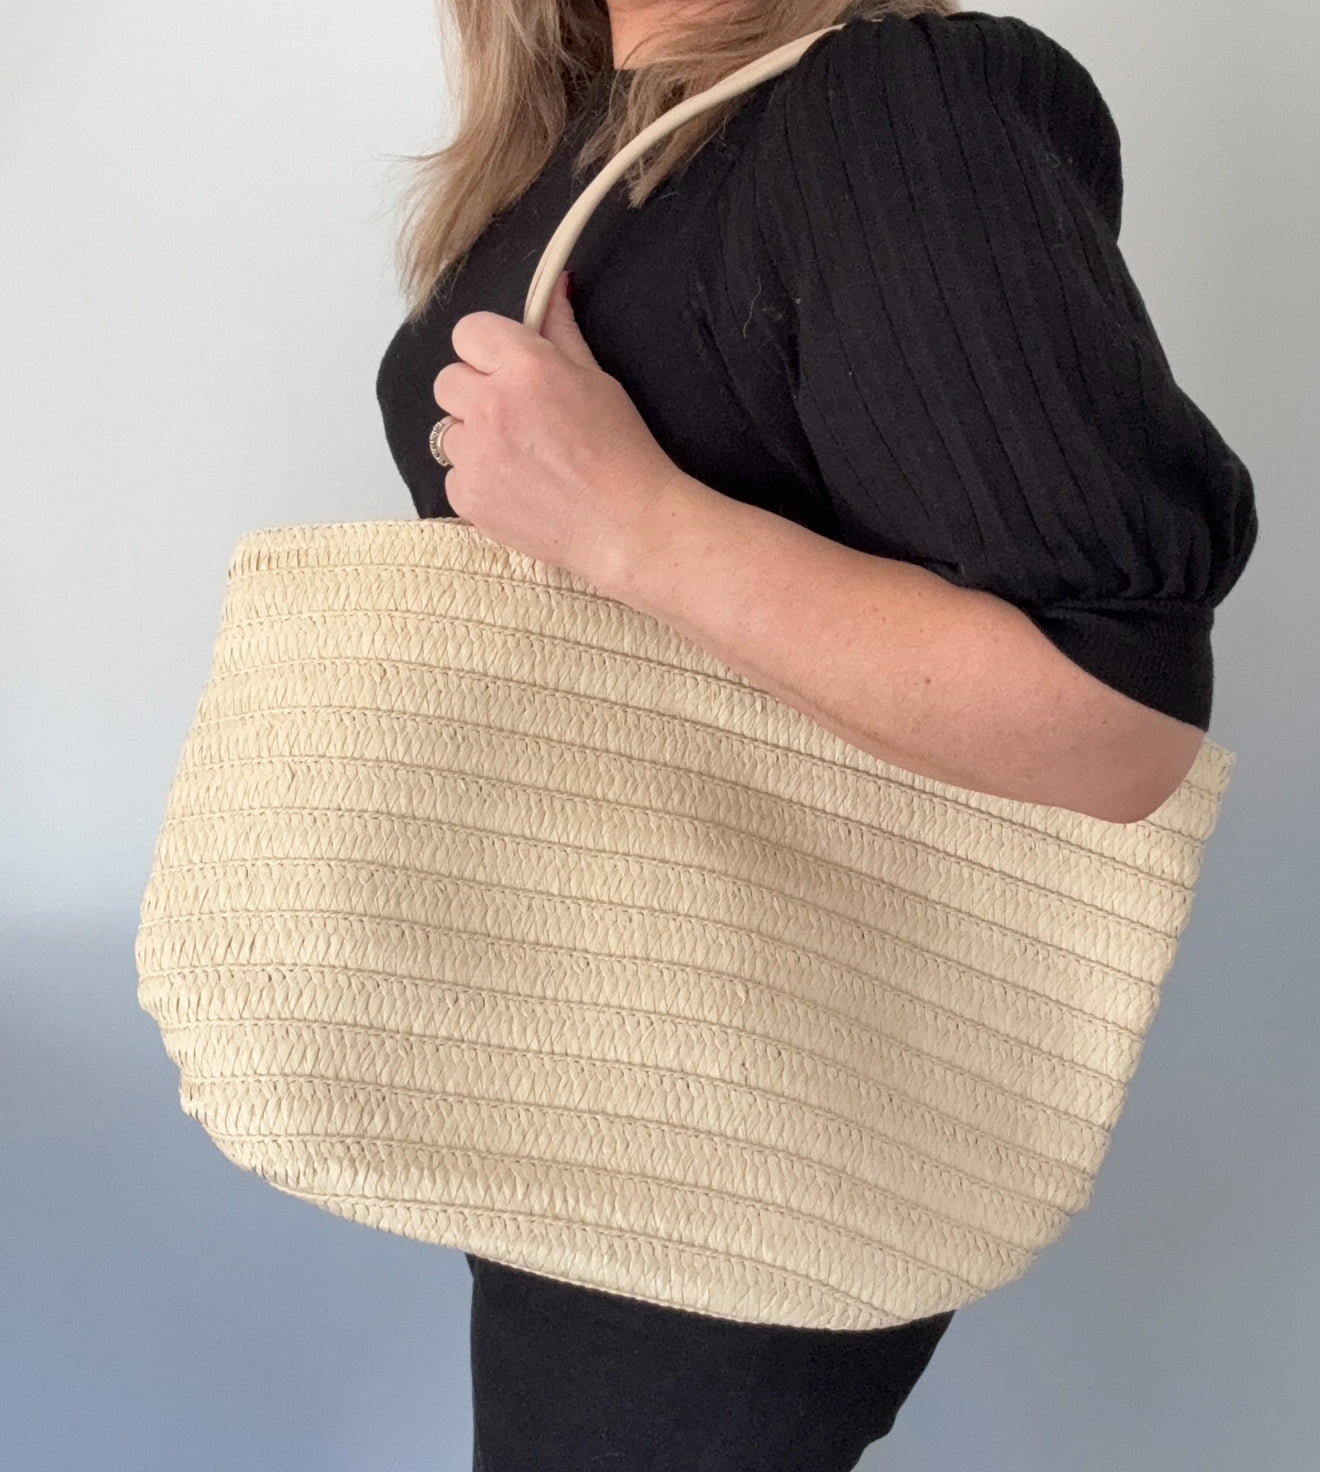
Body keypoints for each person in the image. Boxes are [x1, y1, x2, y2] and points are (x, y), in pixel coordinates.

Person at [374, 3, 1259, 1467]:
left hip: (757, 1085)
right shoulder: (577, 140)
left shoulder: (889, 97)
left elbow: (1115, 719)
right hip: (580, 1029)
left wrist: (632, 522)